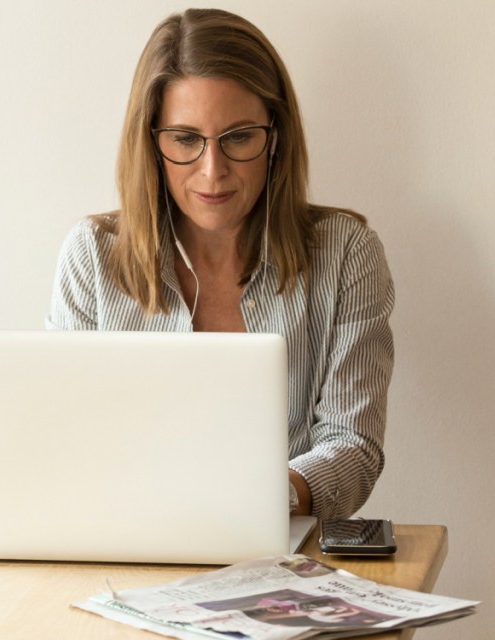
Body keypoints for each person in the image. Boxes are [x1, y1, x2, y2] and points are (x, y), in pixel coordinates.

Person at [46, 8, 394, 519]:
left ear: (274, 136)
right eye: (186, 140)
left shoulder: (346, 253)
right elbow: (65, 442)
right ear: (152, 143)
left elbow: (354, 447)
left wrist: (263, 499)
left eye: (238, 137)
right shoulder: (92, 256)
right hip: (124, 547)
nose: (213, 172)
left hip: (284, 556)